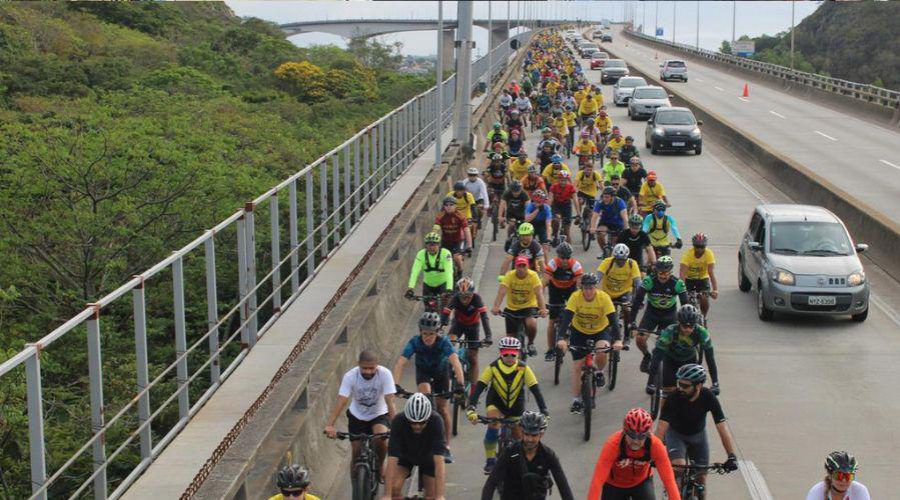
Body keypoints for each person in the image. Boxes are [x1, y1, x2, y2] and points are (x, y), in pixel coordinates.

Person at [466, 338, 550, 475]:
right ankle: (490, 461)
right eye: (506, 354)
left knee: (518, 435)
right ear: (500, 353)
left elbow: (536, 390)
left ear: (518, 354)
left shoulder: (524, 368)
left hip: (516, 404)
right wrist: (471, 408)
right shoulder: (493, 367)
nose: (510, 358)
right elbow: (479, 388)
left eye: (513, 354)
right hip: (496, 402)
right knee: (493, 423)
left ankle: (520, 461)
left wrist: (544, 411)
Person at [655, 364, 738, 496]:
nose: (680, 388)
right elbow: (661, 427)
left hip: (698, 436)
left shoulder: (708, 397)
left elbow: (722, 427)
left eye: (685, 386)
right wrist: (653, 452)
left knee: (701, 480)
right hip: (676, 435)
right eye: (679, 384)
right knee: (678, 467)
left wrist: (731, 456)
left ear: (698, 386)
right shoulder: (673, 398)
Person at [393, 312, 465, 461]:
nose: (428, 337)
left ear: (437, 332)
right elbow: (400, 363)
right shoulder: (415, 342)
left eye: (431, 334)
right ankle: (424, 439)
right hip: (423, 372)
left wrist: (460, 384)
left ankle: (446, 446)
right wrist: (395, 385)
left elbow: (455, 362)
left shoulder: (444, 342)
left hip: (441, 373)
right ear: (420, 332)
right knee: (425, 396)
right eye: (425, 333)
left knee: (443, 409)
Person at [555, 273, 621, 414]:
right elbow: (567, 319)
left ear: (595, 287)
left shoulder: (604, 298)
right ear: (581, 288)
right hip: (579, 331)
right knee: (578, 366)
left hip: (600, 330)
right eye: (585, 288)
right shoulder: (575, 297)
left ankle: (599, 371)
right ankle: (576, 400)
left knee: (602, 350)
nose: (588, 291)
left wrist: (618, 340)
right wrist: (561, 338)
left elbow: (614, 320)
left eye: (591, 288)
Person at [323, 351, 396, 480]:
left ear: (377, 365)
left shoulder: (385, 374)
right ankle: (356, 487)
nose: (368, 372)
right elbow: (342, 400)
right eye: (364, 368)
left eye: (371, 368)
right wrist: (329, 425)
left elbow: (390, 401)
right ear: (358, 365)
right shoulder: (350, 376)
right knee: (356, 453)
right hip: (357, 416)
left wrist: (396, 426)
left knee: (380, 438)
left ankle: (379, 465)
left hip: (378, 414)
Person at [586, 408, 681, 500]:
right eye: (632, 435)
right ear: (624, 431)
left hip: (641, 482)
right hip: (614, 485)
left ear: (648, 434)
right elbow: (597, 481)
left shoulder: (655, 445)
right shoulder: (613, 444)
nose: (635, 441)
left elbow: (669, 480)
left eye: (641, 437)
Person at [481, 411, 574, 500]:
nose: (529, 439)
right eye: (527, 434)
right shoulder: (510, 451)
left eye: (534, 435)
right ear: (522, 432)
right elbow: (491, 482)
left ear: (541, 434)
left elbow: (563, 487)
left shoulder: (548, 455)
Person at [382, 393, 448, 500]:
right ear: (407, 418)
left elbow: (439, 461)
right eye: (413, 422)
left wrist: (440, 495)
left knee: (432, 496)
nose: (417, 426)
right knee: (393, 489)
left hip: (428, 457)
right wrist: (387, 495)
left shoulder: (436, 421)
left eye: (422, 423)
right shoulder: (398, 421)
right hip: (406, 456)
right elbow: (392, 458)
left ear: (428, 419)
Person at [646, 304, 719, 398]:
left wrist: (715, 383)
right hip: (670, 359)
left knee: (692, 392)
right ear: (679, 323)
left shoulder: (702, 332)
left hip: (689, 360)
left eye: (691, 327)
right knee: (669, 393)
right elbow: (657, 356)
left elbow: (710, 359)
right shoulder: (670, 331)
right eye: (684, 326)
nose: (687, 330)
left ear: (695, 324)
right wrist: (650, 382)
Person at [631, 256, 688, 374]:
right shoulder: (649, 281)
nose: (662, 276)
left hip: (670, 315)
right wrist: (632, 322)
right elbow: (637, 301)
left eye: (666, 273)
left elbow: (685, 305)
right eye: (660, 272)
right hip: (652, 313)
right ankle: (647, 356)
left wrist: (684, 324)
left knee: (670, 343)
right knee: (640, 339)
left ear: (671, 271)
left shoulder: (677, 283)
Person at [492, 255, 549, 357]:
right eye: (519, 266)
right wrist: (496, 307)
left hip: (528, 307)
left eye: (524, 266)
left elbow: (539, 294)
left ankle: (530, 343)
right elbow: (502, 292)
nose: (521, 269)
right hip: (512, 309)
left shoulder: (533, 276)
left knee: (531, 323)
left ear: (528, 266)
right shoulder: (510, 275)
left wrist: (543, 309)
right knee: (509, 341)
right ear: (515, 267)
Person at [441, 277, 493, 384]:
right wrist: (443, 324)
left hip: (473, 326)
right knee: (450, 343)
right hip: (458, 324)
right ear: (457, 294)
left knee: (473, 358)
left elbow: (484, 317)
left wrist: (488, 336)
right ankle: (450, 369)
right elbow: (446, 311)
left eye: (468, 296)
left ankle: (473, 390)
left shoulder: (477, 299)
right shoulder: (455, 298)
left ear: (473, 294)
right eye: (462, 297)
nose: (465, 300)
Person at [542, 239, 584, 361]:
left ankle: (574, 339)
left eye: (567, 257)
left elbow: (581, 285)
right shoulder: (552, 264)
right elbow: (544, 282)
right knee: (552, 320)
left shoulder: (575, 265)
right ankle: (550, 349)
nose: (564, 260)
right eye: (562, 258)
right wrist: (540, 302)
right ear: (558, 256)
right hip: (555, 289)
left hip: (570, 289)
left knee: (574, 317)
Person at [597, 244, 642, 333]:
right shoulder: (607, 262)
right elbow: (598, 277)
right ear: (614, 258)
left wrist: (639, 298)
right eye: (618, 260)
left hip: (624, 292)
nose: (620, 262)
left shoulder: (632, 264)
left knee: (627, 309)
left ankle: (627, 334)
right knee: (605, 313)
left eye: (623, 260)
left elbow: (637, 282)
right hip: (608, 293)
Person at [679, 233, 719, 319]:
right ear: (694, 246)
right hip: (688, 278)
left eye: (702, 247)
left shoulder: (709, 254)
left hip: (702, 279)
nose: (700, 249)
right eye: (697, 246)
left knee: (704, 298)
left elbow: (711, 272)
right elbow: (682, 272)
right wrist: (681, 288)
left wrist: (715, 290)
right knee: (684, 300)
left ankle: (704, 316)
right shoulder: (687, 254)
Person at [406, 232, 454, 299]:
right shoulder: (421, 254)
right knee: (427, 307)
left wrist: (449, 289)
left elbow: (449, 272)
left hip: (443, 284)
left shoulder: (445, 253)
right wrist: (410, 288)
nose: (431, 247)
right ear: (426, 245)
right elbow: (415, 272)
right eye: (429, 245)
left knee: (445, 305)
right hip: (428, 285)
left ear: (438, 245)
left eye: (434, 245)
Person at [805, 451, 870, 500]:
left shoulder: (860, 490)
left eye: (848, 476)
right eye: (839, 475)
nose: (844, 480)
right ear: (829, 475)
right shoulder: (817, 491)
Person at [434, 196, 472, 275]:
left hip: (458, 240)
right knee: (441, 259)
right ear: (444, 206)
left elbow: (467, 230)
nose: (449, 207)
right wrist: (433, 241)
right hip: (446, 241)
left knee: (457, 258)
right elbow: (435, 230)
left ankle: (460, 271)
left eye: (451, 205)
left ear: (455, 206)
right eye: (446, 205)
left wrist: (469, 245)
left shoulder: (460, 216)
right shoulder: (440, 216)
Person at [590, 186, 628, 254]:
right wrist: (592, 227)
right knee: (600, 234)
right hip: (605, 222)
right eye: (603, 197)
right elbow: (594, 216)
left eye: (607, 197)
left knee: (614, 245)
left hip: (617, 224)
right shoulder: (600, 202)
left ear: (613, 197)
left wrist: (626, 229)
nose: (605, 199)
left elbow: (625, 218)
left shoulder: (619, 202)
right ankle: (604, 251)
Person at [548, 170, 578, 245]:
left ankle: (569, 251)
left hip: (566, 205)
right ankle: (555, 235)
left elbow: (575, 199)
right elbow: (550, 199)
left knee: (567, 231)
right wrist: (548, 211)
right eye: (561, 180)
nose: (563, 182)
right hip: (556, 205)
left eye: (565, 180)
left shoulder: (570, 187)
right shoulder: (553, 187)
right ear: (558, 180)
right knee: (556, 220)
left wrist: (578, 213)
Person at [524, 190, 553, 257]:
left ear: (543, 201)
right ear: (533, 200)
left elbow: (548, 225)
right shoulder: (530, 206)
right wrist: (537, 210)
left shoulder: (547, 208)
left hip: (542, 225)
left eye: (539, 202)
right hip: (531, 224)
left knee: (545, 248)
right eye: (535, 201)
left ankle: (546, 266)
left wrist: (548, 238)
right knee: (528, 245)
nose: (537, 204)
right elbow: (526, 220)